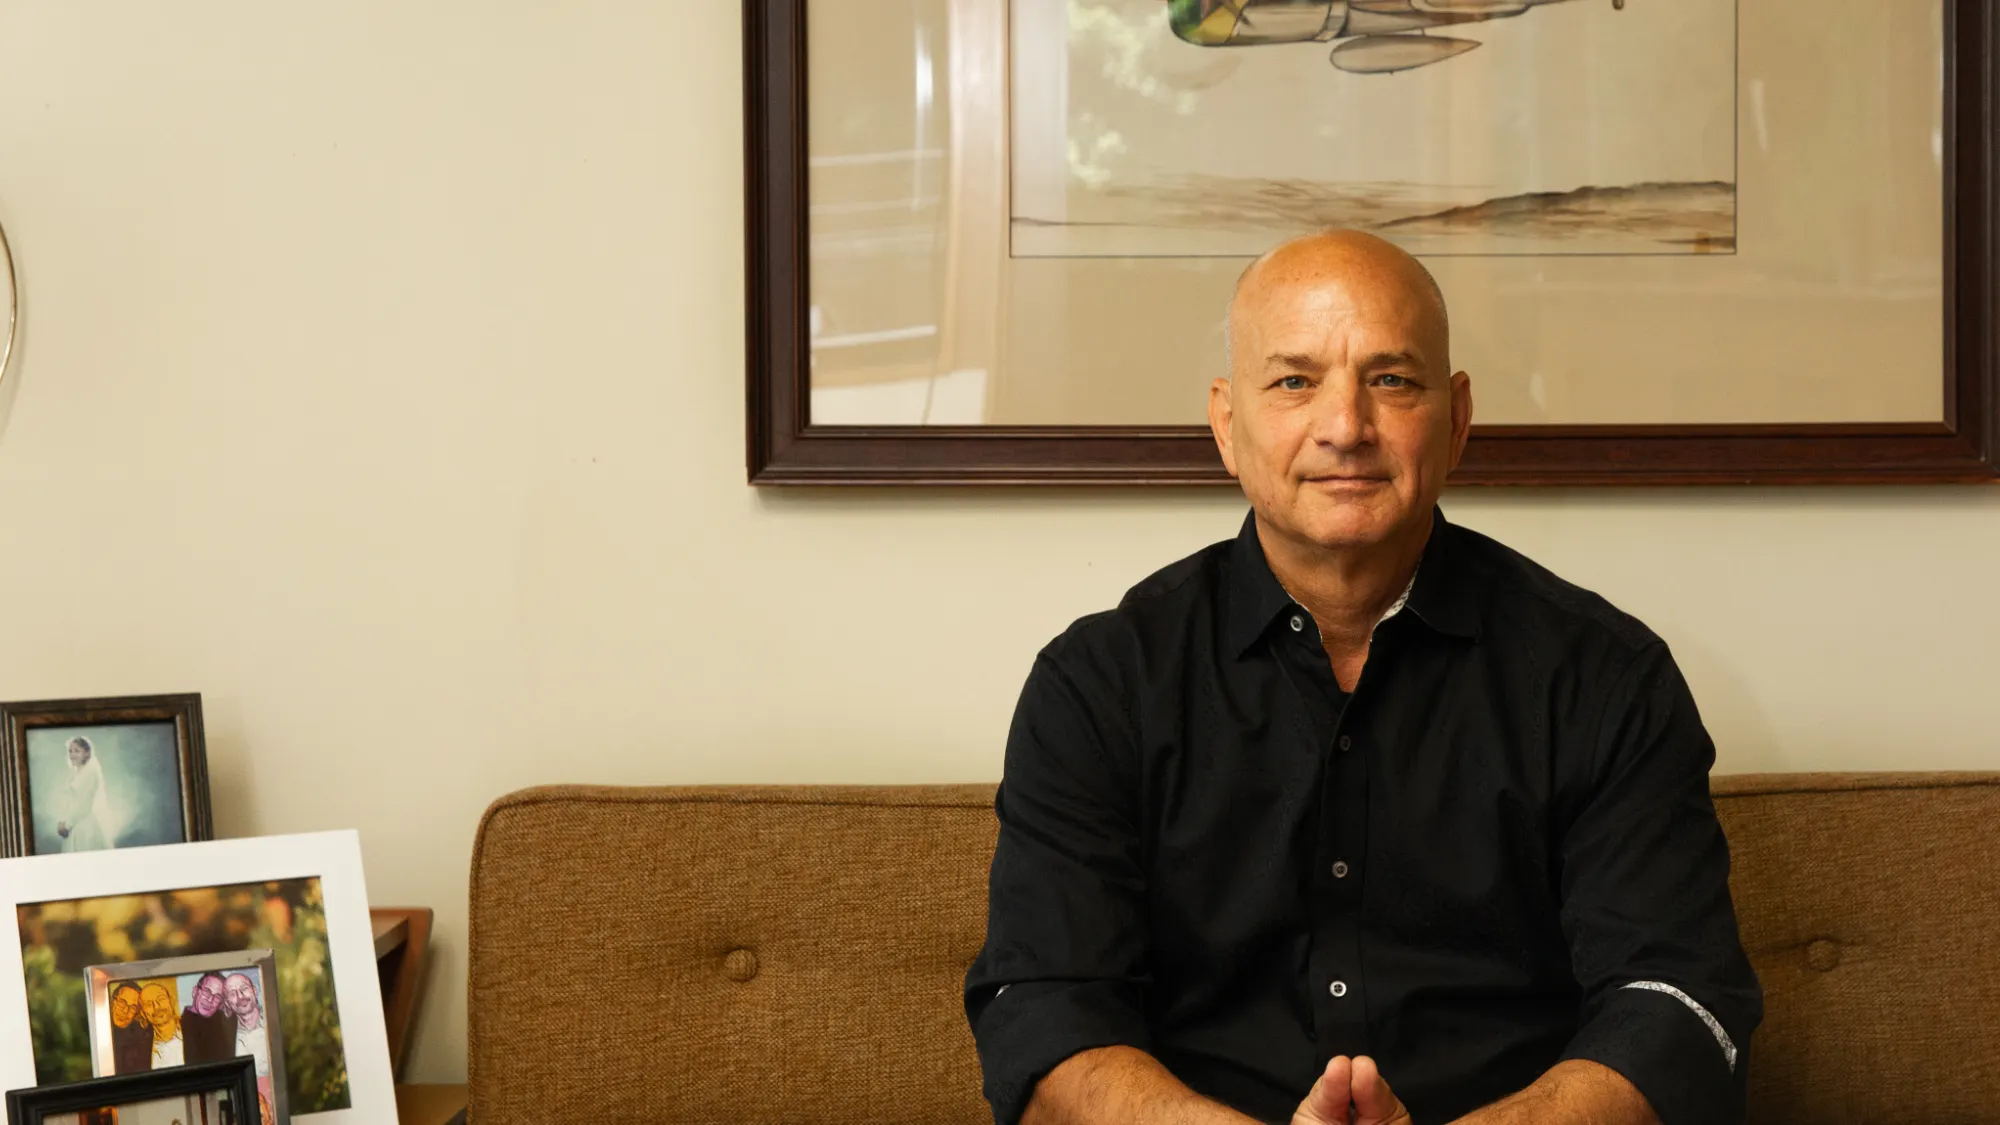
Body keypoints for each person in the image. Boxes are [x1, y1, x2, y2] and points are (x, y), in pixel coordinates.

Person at [964, 231, 1761, 1125]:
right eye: (1293, 381)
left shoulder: (1605, 678)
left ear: (1457, 419)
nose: (1345, 427)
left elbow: (1679, 1005)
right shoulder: (1099, 685)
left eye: (1391, 379)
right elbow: (1042, 1008)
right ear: (1227, 424)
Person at [54, 736, 117, 853]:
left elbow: (84, 804)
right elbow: (69, 800)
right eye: (70, 751)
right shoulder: (76, 772)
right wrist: (62, 820)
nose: (72, 754)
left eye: (77, 751)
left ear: (86, 753)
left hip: (84, 824)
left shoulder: (90, 772)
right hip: (74, 823)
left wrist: (67, 825)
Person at [225, 972, 273, 1110]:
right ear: (227, 1003)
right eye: (232, 993)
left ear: (255, 991)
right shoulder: (225, 1041)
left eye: (244, 988)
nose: (240, 996)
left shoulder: (274, 1025)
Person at [181, 972, 237, 1064]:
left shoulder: (226, 1024)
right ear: (195, 991)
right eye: (206, 992)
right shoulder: (179, 1026)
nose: (210, 1000)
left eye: (217, 997)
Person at [109, 983, 153, 1075]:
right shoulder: (101, 1025)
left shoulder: (143, 1035)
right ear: (113, 1001)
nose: (126, 1011)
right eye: (122, 1002)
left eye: (133, 1007)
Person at [140, 982, 185, 1068]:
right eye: (149, 1004)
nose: (156, 1007)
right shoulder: (141, 1049)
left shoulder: (194, 1032)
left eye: (160, 999)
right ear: (143, 1014)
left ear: (171, 1001)